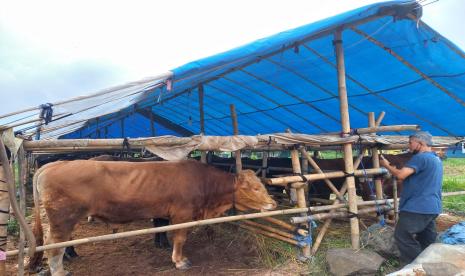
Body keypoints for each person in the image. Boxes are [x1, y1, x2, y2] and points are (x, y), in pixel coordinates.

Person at [379, 131, 442, 264]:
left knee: (402, 235)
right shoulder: (435, 158)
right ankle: (431, 265)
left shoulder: (420, 158)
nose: (409, 146)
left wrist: (387, 166)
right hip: (432, 207)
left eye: (411, 142)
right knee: (427, 239)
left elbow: (401, 175)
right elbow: (418, 179)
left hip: (417, 207)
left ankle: (415, 267)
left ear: (421, 143)